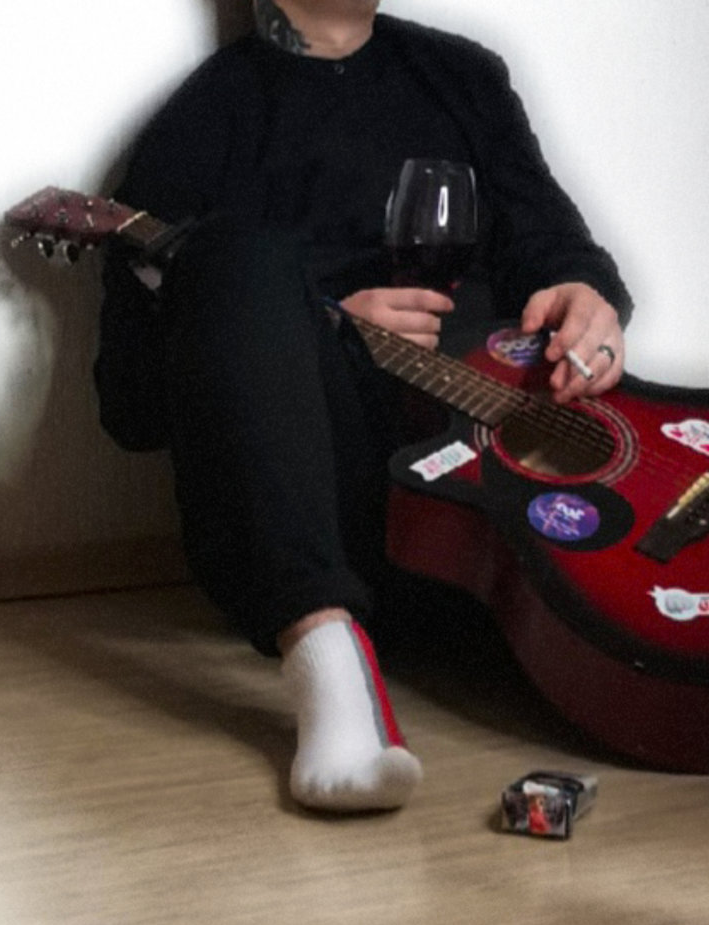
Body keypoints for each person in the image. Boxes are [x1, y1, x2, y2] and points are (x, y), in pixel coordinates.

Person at [94, 0, 632, 814]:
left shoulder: (463, 76)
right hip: (334, 519)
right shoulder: (203, 119)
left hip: (498, 511)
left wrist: (587, 294)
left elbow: (549, 238)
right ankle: (331, 675)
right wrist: (314, 322)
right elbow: (130, 408)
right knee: (237, 253)